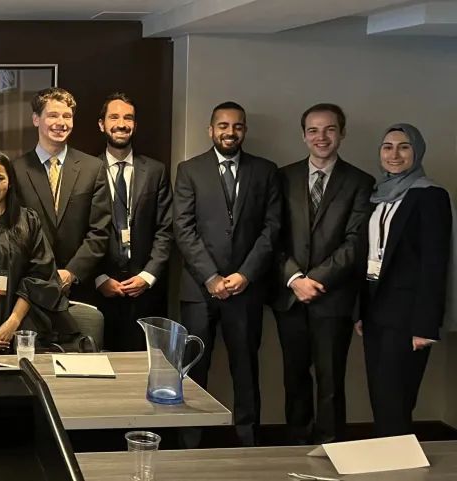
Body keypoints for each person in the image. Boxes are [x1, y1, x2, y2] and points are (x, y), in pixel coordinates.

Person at [173, 101, 281, 447]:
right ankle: (189, 445)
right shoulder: (189, 170)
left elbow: (271, 229)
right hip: (199, 289)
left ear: (244, 130)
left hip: (246, 289)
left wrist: (245, 275)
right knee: (193, 370)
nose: (230, 132)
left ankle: (249, 442)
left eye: (237, 126)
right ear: (211, 130)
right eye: (223, 125)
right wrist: (211, 277)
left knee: (246, 370)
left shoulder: (265, 171)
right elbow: (183, 229)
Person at [271, 104, 374, 444]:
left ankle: (330, 447)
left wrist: (316, 280)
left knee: (331, 382)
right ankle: (297, 445)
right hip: (290, 297)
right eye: (313, 130)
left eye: (330, 129)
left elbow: (356, 242)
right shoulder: (282, 178)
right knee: (294, 377)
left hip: (333, 298)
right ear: (303, 136)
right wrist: (295, 279)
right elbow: (272, 236)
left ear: (342, 133)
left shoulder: (360, 182)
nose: (321, 137)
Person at [357, 123, 451, 437]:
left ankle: (398, 458)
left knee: (396, 394)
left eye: (404, 146)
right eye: (387, 147)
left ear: (417, 151)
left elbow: (435, 263)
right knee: (379, 391)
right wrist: (360, 311)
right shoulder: (377, 195)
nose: (394, 154)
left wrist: (426, 325)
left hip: (408, 313)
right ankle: (389, 454)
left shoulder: (430, 195)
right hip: (375, 308)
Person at [0, 148, 75, 353]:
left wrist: (14, 321)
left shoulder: (28, 221)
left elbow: (41, 275)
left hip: (24, 324)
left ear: (10, 181)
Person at [12, 88, 112, 313]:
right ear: (36, 119)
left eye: (67, 116)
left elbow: (100, 231)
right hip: (29, 288)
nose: (61, 122)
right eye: (53, 115)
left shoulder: (93, 168)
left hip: (79, 287)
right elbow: (13, 231)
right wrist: (41, 274)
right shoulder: (16, 170)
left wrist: (72, 272)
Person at [92, 93, 173, 352]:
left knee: (141, 364)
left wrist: (148, 276)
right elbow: (79, 230)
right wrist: (98, 278)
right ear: (102, 124)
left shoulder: (156, 171)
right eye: (114, 117)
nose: (121, 124)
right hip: (100, 290)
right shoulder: (86, 170)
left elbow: (165, 229)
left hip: (145, 291)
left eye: (128, 118)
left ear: (135, 125)